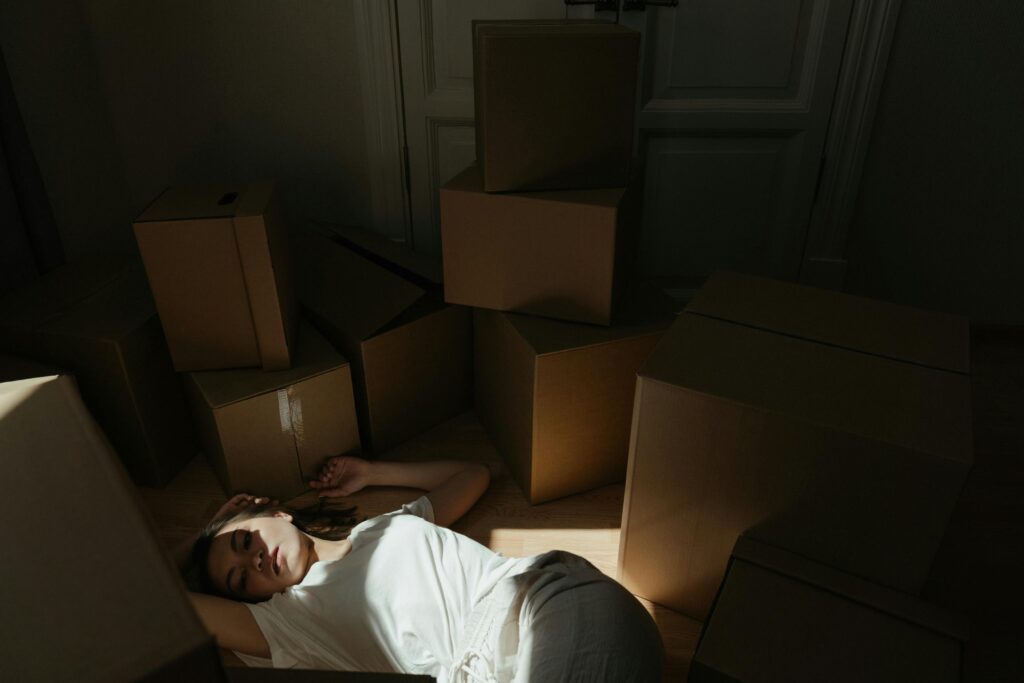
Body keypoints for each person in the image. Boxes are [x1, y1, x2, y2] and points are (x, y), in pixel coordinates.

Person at [185, 456, 663, 682]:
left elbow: (473, 474)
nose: (254, 560)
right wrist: (204, 530)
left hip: (540, 605)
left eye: (245, 540)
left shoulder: (383, 527)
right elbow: (167, 602)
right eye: (240, 578)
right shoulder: (285, 623)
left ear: (277, 513)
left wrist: (373, 473)